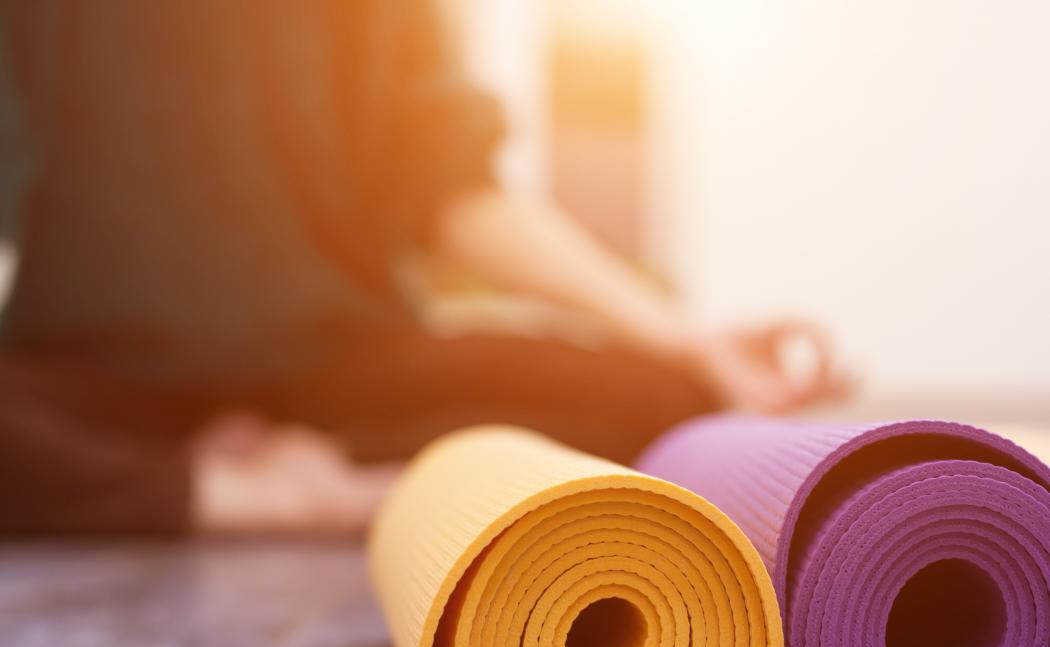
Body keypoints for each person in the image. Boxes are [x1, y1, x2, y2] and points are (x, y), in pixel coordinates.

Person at [0, 1, 847, 538]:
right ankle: (247, 494)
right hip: (92, 383)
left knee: (665, 401)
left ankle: (276, 470)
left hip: (339, 372)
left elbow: (450, 188)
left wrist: (684, 341)